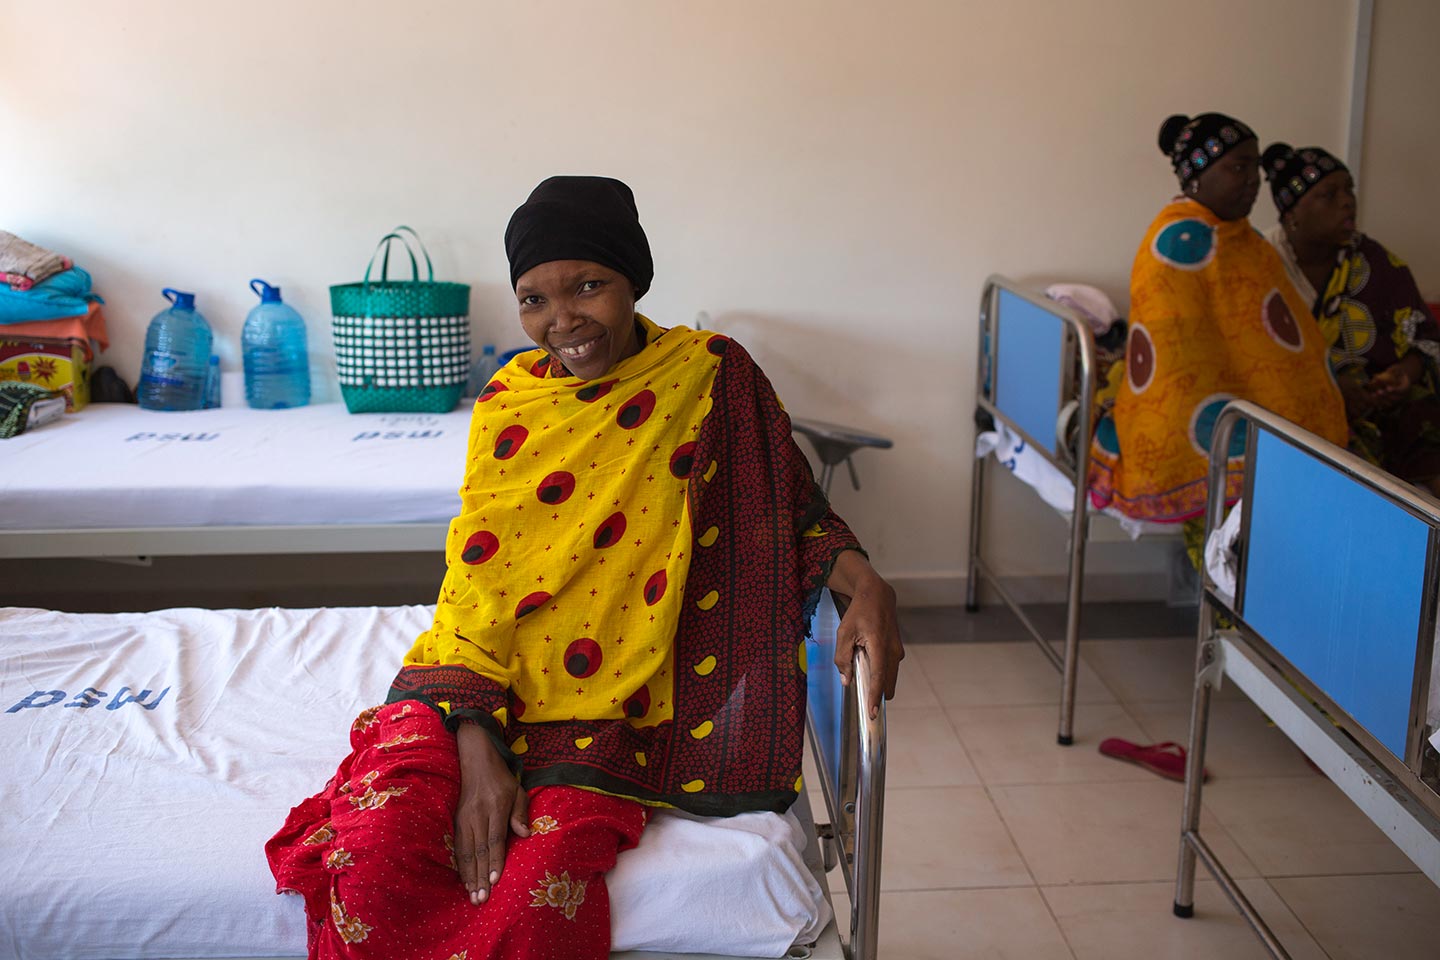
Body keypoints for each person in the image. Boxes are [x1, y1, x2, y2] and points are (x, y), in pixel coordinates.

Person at [266, 176, 903, 960]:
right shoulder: (509, 400)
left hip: (608, 715)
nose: (560, 320)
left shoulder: (710, 376)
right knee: (372, 866)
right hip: (472, 684)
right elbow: (477, 586)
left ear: (634, 278)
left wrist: (868, 584)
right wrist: (478, 742)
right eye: (533, 299)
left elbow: (792, 516)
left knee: (539, 892)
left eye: (588, 287)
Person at [1087, 113, 1348, 522]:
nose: (1253, 180)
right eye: (1238, 167)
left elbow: (1281, 337)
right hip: (1196, 414)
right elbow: (1177, 359)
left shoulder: (1249, 241)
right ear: (1197, 176)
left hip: (1256, 404)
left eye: (1256, 168)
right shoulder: (1173, 242)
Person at [1261, 143, 1440, 494]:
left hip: (1378, 405)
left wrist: (1404, 373)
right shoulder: (1261, 265)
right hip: (1293, 407)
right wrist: (1330, 390)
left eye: (1349, 190)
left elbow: (1425, 339)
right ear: (1292, 212)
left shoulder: (1375, 263)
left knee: (1425, 417)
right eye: (1329, 194)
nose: (1347, 201)